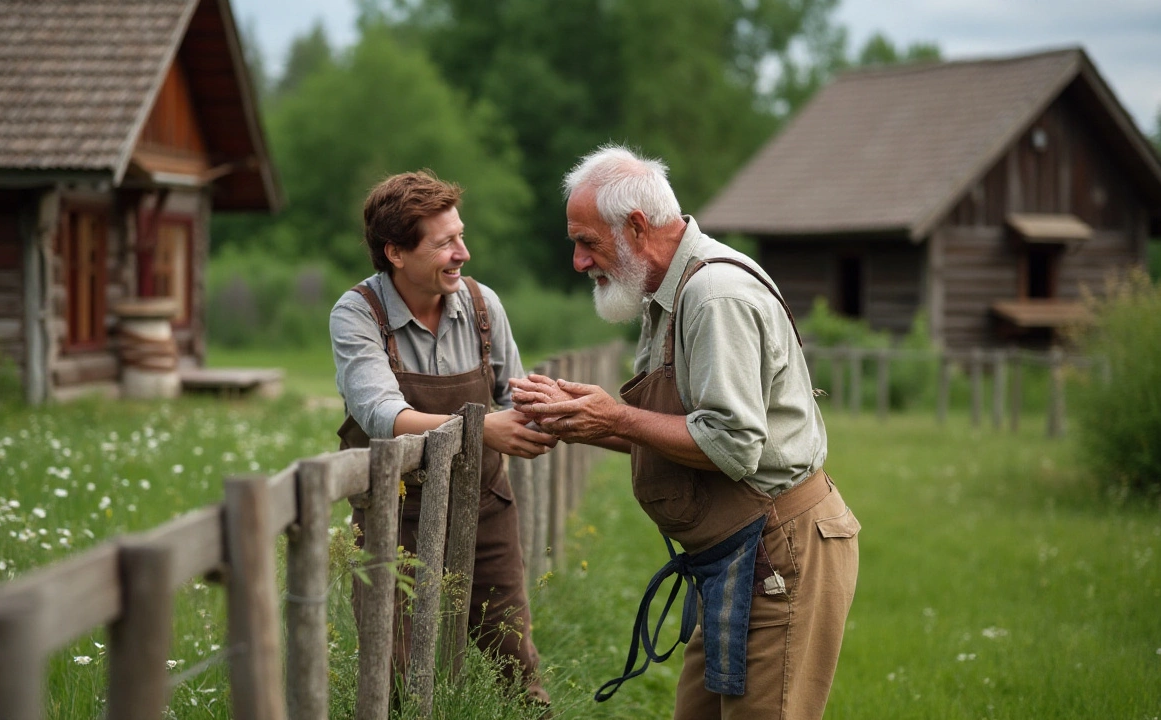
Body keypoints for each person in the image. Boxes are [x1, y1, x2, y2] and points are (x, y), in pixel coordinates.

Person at [510, 145, 860, 719]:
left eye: (586, 242)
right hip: (737, 558)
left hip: (778, 556)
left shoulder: (711, 295)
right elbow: (681, 432)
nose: (577, 261)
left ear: (637, 228)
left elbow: (732, 444)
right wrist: (581, 421)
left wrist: (615, 415)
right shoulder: (668, 292)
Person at [330, 170, 555, 705]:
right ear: (396, 253)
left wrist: (549, 411)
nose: (464, 253)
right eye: (445, 242)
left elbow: (515, 393)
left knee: (515, 666)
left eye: (461, 235)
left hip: (483, 507)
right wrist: (483, 429)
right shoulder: (358, 314)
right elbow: (382, 413)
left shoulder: (482, 306)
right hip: (391, 515)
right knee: (394, 671)